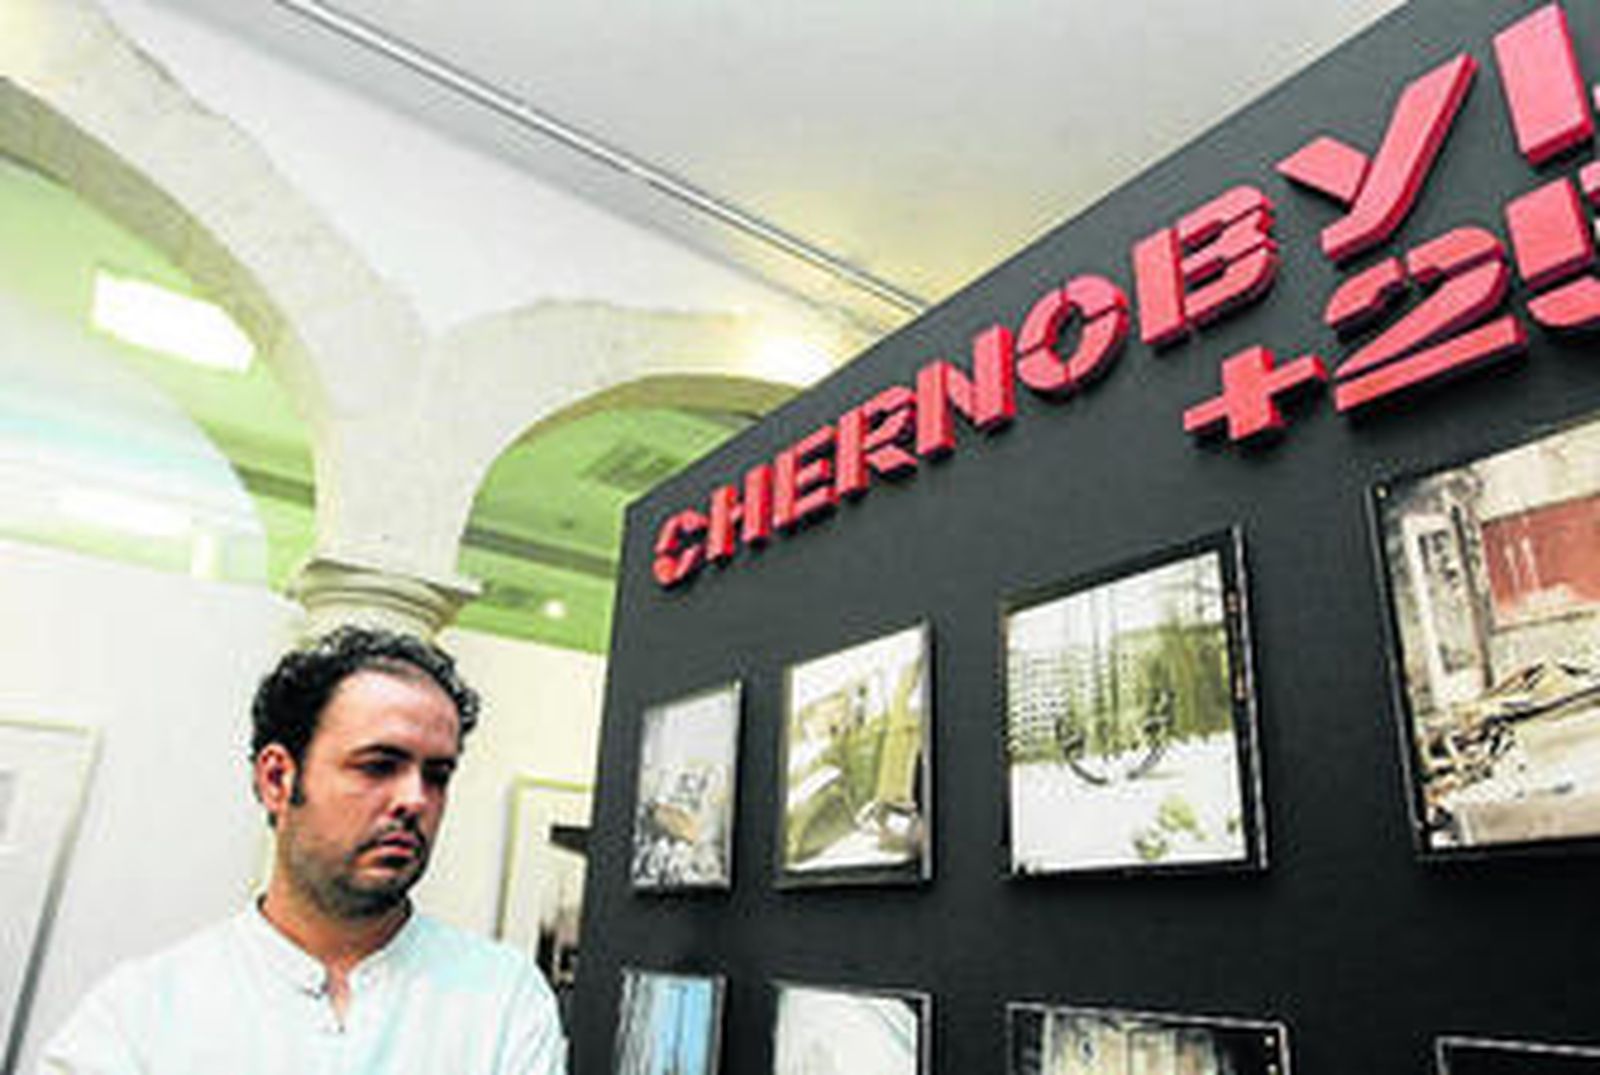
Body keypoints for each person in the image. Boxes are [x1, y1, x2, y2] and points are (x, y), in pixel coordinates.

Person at [39, 626, 567, 1074]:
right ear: (276, 778)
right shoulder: (142, 1012)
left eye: (438, 775)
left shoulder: (502, 998)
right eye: (378, 765)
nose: (414, 799)